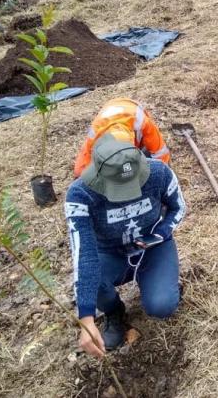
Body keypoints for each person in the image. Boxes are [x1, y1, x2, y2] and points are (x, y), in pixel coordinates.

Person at [65, 134, 186, 358]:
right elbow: (84, 254)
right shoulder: (80, 194)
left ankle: (157, 281)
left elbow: (178, 208)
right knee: (95, 281)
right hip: (109, 254)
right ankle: (114, 312)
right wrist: (86, 318)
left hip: (153, 248)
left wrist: (160, 234)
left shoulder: (159, 173)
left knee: (162, 306)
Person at [74, 98, 171, 178]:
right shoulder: (95, 135)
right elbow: (83, 165)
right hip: (111, 108)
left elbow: (160, 152)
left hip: (130, 106)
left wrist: (162, 175)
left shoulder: (142, 122)